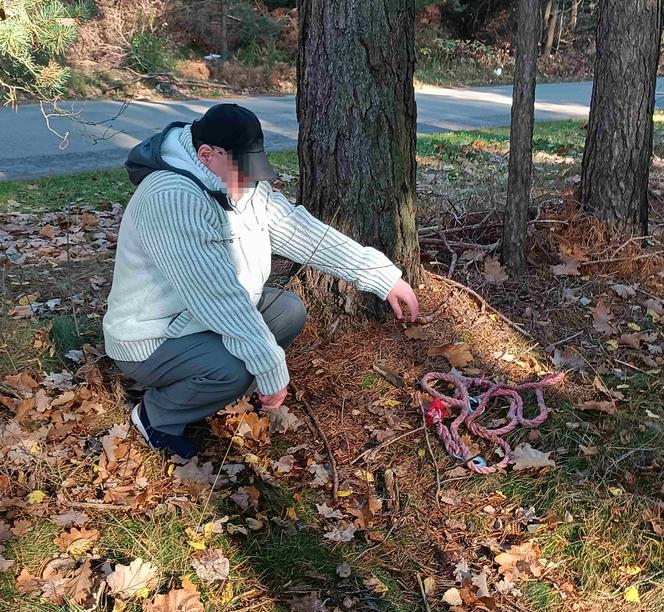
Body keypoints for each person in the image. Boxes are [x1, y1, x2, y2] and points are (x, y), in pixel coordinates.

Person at [103, 104, 419, 458]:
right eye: (243, 170)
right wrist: (268, 366)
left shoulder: (238, 182)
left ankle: (211, 382)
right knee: (237, 369)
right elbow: (218, 299)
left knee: (288, 311)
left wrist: (381, 276)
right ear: (207, 155)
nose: (252, 180)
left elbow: (304, 233)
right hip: (152, 336)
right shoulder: (172, 199)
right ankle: (156, 416)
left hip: (194, 320)